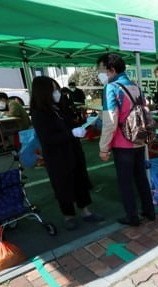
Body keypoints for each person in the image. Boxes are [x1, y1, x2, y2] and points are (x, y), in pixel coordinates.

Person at [30, 76, 103, 230]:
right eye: (53, 90)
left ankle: (86, 211)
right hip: (57, 156)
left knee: (80, 181)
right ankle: (68, 216)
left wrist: (85, 124)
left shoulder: (60, 107)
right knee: (63, 185)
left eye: (57, 89)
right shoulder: (39, 112)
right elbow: (47, 138)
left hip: (73, 151)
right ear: (43, 92)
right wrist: (72, 133)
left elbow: (71, 124)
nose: (57, 93)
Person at [96, 53, 155, 227]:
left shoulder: (112, 88)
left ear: (112, 69)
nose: (104, 74)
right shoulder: (135, 86)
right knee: (141, 178)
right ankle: (149, 211)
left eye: (104, 71)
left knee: (125, 183)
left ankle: (132, 217)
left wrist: (103, 148)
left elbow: (110, 121)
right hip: (139, 139)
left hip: (122, 144)